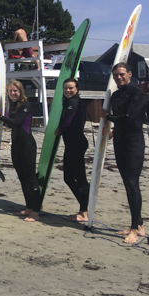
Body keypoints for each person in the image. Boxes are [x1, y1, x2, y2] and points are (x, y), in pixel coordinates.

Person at [101, 63, 148, 244]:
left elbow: (129, 118)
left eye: (122, 74)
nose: (119, 77)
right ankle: (139, 224)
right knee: (126, 183)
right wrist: (112, 131)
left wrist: (107, 116)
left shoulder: (138, 93)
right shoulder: (115, 94)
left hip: (134, 143)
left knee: (132, 182)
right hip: (119, 142)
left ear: (129, 74)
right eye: (115, 75)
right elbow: (120, 119)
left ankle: (135, 230)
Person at [0, 81, 41, 222]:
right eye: (10, 91)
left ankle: (35, 211)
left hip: (27, 145)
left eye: (15, 91)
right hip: (17, 145)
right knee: (22, 177)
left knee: (30, 178)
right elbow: (8, 122)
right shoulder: (13, 105)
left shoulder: (25, 105)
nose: (13, 93)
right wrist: (3, 113)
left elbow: (16, 122)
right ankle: (29, 207)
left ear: (20, 91)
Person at [54, 78, 90, 222]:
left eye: (71, 88)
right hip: (73, 144)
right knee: (69, 177)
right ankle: (85, 207)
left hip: (76, 144)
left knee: (79, 179)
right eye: (66, 88)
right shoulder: (71, 102)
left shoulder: (73, 102)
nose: (68, 91)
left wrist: (59, 130)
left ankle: (84, 211)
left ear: (77, 89)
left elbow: (68, 122)